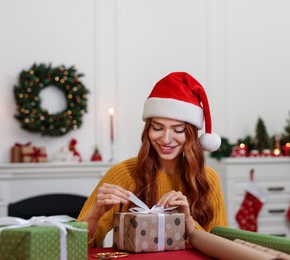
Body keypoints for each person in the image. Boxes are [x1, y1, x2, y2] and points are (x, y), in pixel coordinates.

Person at [76, 72, 228, 248]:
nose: (165, 139)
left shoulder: (208, 179)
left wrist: (187, 220)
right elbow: (74, 245)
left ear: (191, 135)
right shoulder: (123, 173)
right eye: (157, 128)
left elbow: (221, 247)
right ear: (147, 130)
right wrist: (95, 214)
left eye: (178, 130)